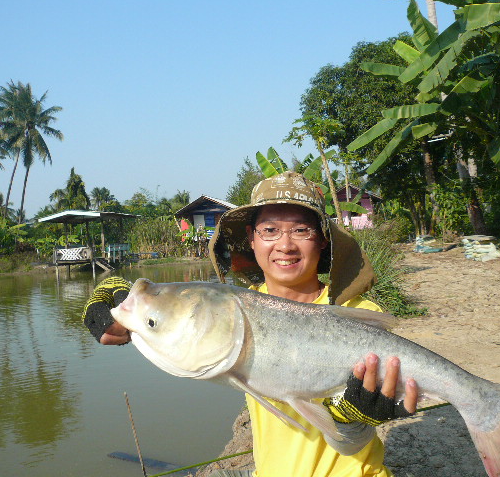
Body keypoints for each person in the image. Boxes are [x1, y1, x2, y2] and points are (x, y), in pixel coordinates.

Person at [82, 171, 418, 477]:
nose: (285, 245)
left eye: (301, 230)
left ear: (323, 239)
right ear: (252, 238)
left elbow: (349, 446)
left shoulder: (356, 312)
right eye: (270, 230)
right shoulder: (236, 308)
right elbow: (177, 336)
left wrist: (357, 419)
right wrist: (114, 318)